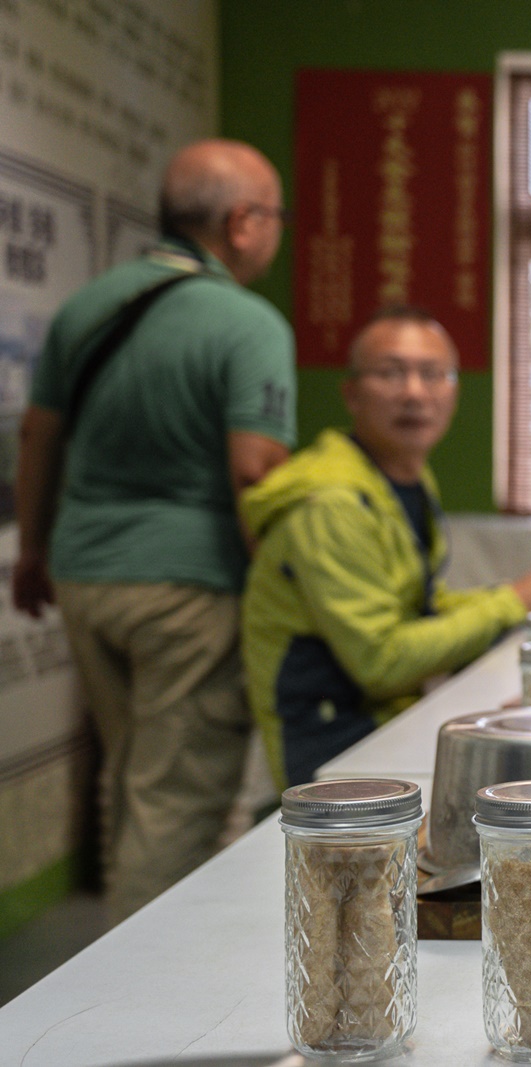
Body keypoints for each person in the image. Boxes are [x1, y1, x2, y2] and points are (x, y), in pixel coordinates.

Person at [9, 139, 296, 921]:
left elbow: (38, 437)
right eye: (273, 215)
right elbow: (253, 474)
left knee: (129, 771)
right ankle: (137, 1007)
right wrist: (284, 594)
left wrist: (32, 550)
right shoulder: (248, 324)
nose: (277, 231)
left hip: (84, 577)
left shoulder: (86, 307)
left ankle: (120, 963)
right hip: (189, 589)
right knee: (174, 799)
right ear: (241, 223)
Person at [241, 306, 531, 788]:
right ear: (352, 394)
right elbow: (381, 662)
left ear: (454, 392)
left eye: (433, 375)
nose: (414, 393)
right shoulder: (332, 504)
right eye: (390, 373)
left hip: (387, 721)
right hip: (328, 745)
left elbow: (416, 604)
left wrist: (513, 597)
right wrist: (514, 601)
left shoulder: (402, 477)